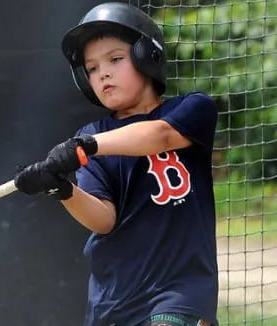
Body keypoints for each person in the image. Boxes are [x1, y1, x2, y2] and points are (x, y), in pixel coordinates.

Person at [14, 2, 219, 326]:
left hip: (178, 293)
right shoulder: (92, 135)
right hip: (115, 301)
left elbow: (160, 136)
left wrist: (86, 148)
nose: (103, 73)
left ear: (147, 56)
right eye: (92, 68)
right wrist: (63, 190)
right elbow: (104, 219)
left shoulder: (193, 108)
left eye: (115, 59)